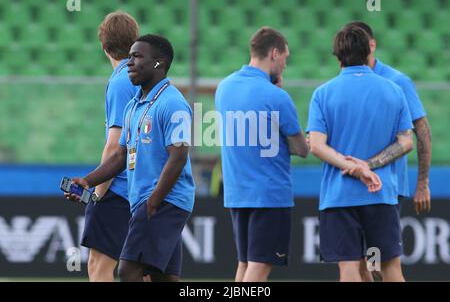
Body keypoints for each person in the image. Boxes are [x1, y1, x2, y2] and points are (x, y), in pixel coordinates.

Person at [66, 34, 195, 282]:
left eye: (137, 57)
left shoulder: (173, 104)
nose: (130, 63)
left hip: (164, 202)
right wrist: (87, 181)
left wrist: (153, 202)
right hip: (146, 202)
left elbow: (178, 157)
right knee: (163, 278)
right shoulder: (133, 106)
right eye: (129, 56)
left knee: (128, 271)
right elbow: (121, 155)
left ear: (158, 63)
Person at [307, 25, 414, 282]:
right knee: (389, 268)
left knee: (349, 268)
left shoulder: (323, 93)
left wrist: (355, 167)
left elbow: (316, 145)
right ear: (369, 51)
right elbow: (406, 142)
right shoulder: (393, 90)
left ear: (337, 55)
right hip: (381, 194)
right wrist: (369, 165)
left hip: (339, 196)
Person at [215, 27, 309, 282]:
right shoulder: (277, 97)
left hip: (237, 191)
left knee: (245, 263)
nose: (285, 65)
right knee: (260, 266)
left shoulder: (224, 88)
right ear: (274, 53)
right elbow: (302, 149)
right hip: (269, 193)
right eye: (285, 58)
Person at [343, 21, 432, 281]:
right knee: (362, 264)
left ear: (372, 45)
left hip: (386, 189)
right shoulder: (347, 82)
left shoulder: (396, 81)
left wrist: (423, 182)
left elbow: (422, 130)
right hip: (353, 185)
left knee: (381, 265)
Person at [66, 11, 139, 282]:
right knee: (141, 270)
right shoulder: (140, 76)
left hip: (119, 188)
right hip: (141, 187)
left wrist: (96, 194)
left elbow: (113, 146)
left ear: (104, 46)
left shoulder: (121, 80)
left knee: (99, 267)